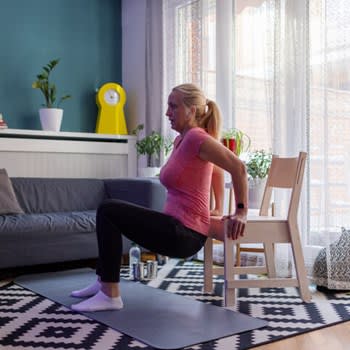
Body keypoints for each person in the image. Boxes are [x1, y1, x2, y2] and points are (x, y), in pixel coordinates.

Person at [70, 83, 248, 312]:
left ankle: (110, 294)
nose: (167, 113)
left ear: (192, 111)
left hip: (185, 234)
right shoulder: (181, 141)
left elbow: (238, 167)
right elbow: (213, 169)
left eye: (173, 107)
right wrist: (216, 206)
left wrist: (241, 211)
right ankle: (103, 282)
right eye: (168, 106)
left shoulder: (196, 138)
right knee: (109, 213)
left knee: (109, 210)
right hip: (175, 228)